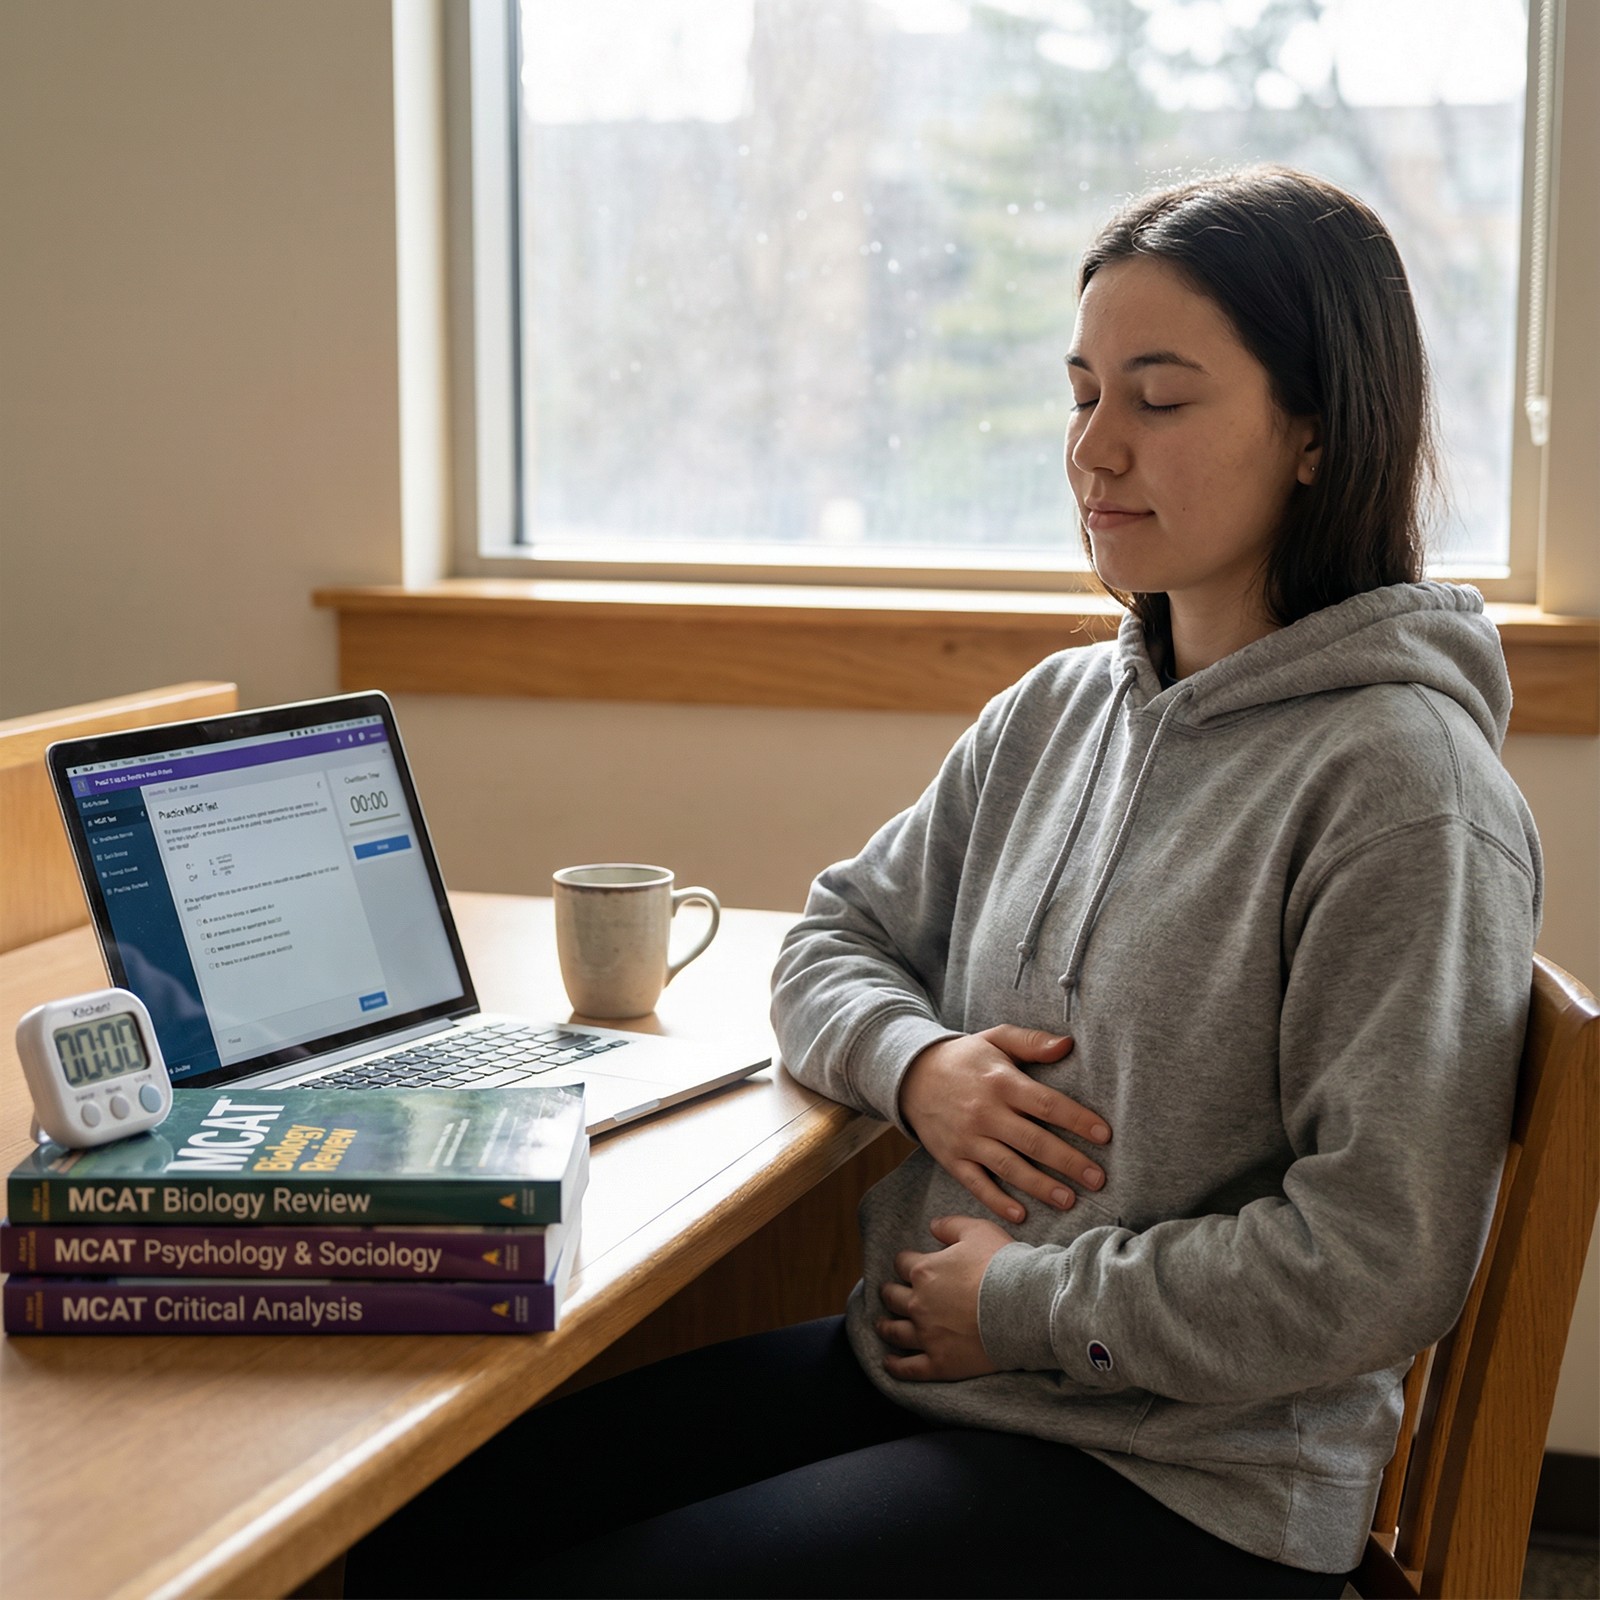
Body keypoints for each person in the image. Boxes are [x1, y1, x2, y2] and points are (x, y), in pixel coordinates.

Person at [345, 167, 1540, 1600]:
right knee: (414, 1531)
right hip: (948, 1378)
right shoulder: (1060, 710)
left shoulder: (1405, 793)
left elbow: (1376, 1261)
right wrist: (921, 1070)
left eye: (1159, 400)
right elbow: (831, 937)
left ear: (1314, 431)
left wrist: (1029, 1306)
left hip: (1187, 1479)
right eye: (1081, 390)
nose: (1095, 449)